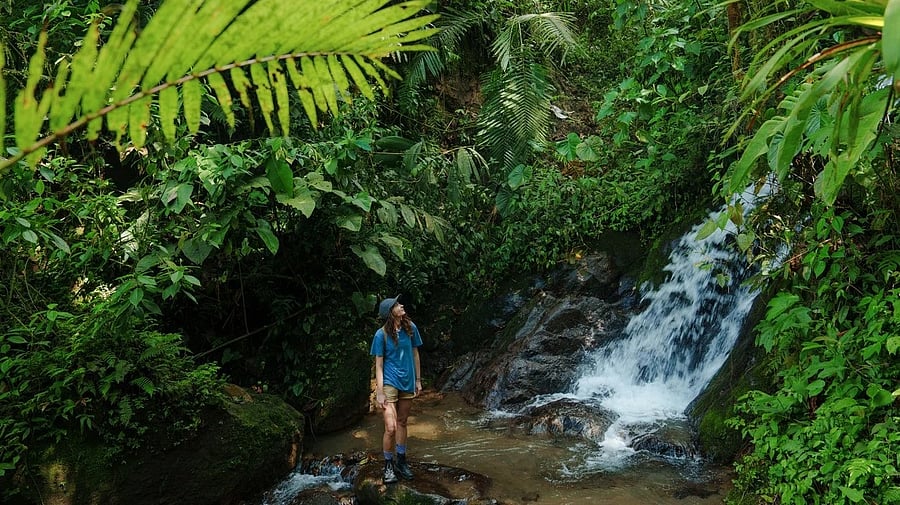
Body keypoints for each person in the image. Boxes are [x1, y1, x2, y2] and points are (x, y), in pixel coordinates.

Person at [370, 294, 423, 484]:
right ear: (390, 312)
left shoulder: (411, 328)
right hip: (390, 383)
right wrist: (380, 391)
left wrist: (418, 380)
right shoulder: (380, 335)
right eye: (397, 305)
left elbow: (416, 354)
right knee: (390, 427)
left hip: (408, 381)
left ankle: (401, 461)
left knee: (402, 422)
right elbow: (379, 365)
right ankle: (388, 466)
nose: (401, 305)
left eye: (400, 303)